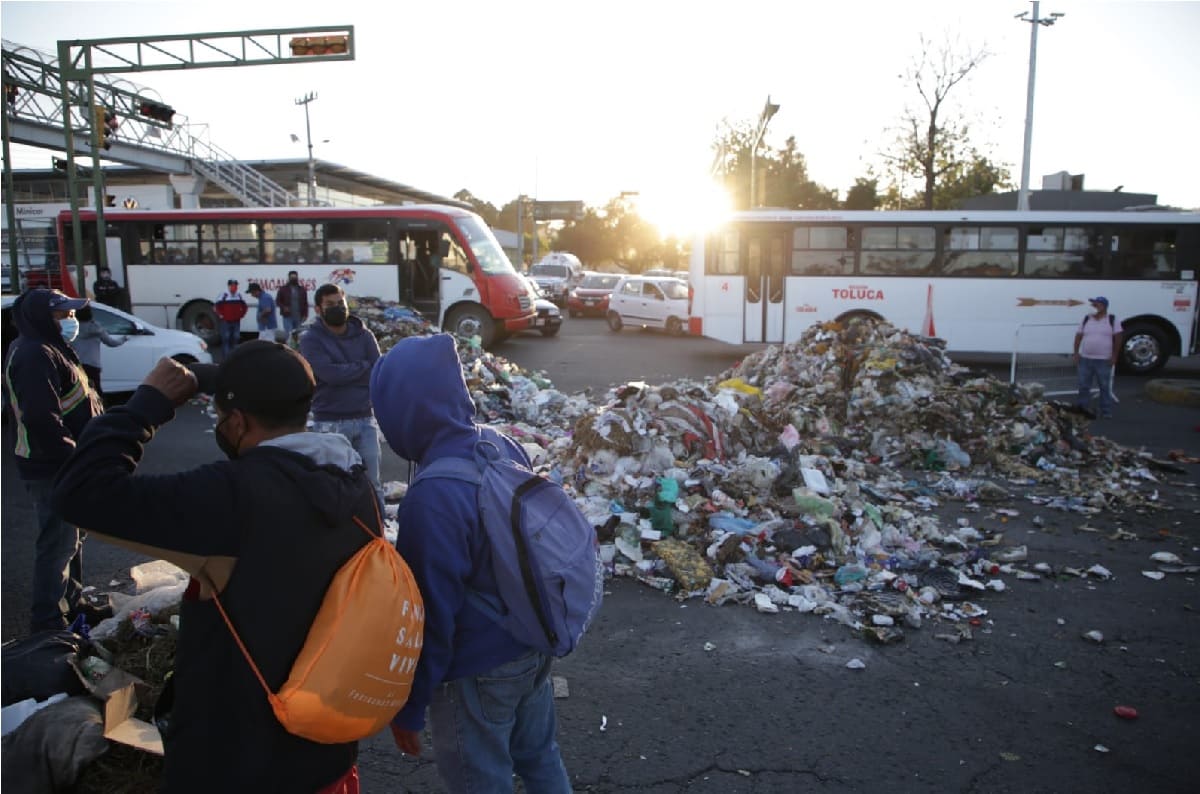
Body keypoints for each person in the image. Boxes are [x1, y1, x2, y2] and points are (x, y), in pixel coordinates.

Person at [51, 342, 373, 792]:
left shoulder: (231, 498)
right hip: (327, 746)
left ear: (237, 422)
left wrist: (146, 408)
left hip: (237, 759)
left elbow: (80, 492)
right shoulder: (355, 484)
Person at [369, 333, 572, 793]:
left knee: (482, 780)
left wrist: (410, 705)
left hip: (478, 667)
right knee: (540, 757)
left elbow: (431, 616)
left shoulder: (432, 495)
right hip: (533, 639)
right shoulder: (500, 445)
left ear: (405, 410)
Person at [4, 288, 106, 632]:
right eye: (64, 315)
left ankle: (73, 603)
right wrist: (75, 457)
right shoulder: (35, 354)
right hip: (53, 465)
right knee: (58, 543)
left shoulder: (49, 347)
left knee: (71, 539)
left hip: (64, 462)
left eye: (72, 314)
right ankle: (49, 621)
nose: (71, 321)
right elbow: (40, 418)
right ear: (42, 318)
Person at [299, 284, 384, 510]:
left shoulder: (365, 335)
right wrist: (362, 368)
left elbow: (378, 370)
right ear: (318, 309)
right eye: (330, 305)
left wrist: (345, 370)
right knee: (333, 488)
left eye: (340, 303)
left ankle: (380, 539)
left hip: (365, 420)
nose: (337, 308)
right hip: (329, 424)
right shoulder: (311, 340)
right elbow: (328, 374)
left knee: (373, 485)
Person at [1073, 296, 1123, 418]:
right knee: (1083, 385)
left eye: (1097, 304)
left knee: (1104, 386)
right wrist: (1076, 353)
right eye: (1094, 304)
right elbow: (1078, 336)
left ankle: (1106, 411)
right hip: (1085, 358)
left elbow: (1118, 338)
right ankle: (1082, 409)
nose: (1095, 306)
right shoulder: (1087, 319)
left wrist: (1114, 356)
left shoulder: (1112, 319)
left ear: (1104, 306)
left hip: (1103, 359)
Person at [71, 304, 127, 398]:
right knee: (96, 391)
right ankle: (99, 409)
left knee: (78, 390)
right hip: (92, 364)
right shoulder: (96, 328)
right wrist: (123, 339)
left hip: (77, 364)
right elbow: (111, 343)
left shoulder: (72, 327)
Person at [214, 278, 248, 359]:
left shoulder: (238, 295)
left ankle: (234, 357)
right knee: (226, 339)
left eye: (235, 286)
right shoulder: (224, 295)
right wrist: (221, 315)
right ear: (229, 286)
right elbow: (216, 307)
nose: (234, 287)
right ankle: (226, 358)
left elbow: (244, 306)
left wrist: (241, 315)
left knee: (236, 338)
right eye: (232, 286)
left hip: (236, 321)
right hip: (226, 321)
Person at [276, 270, 310, 336]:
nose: (293, 279)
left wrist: (306, 314)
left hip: (299, 316)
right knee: (289, 334)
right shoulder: (283, 289)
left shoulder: (302, 289)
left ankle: (296, 346)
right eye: (292, 277)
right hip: (287, 316)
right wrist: (283, 307)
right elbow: (277, 301)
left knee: (298, 335)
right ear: (289, 278)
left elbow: (305, 303)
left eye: (295, 277)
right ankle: (289, 346)